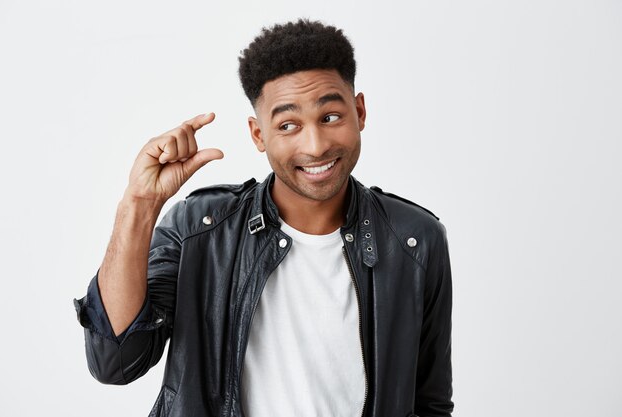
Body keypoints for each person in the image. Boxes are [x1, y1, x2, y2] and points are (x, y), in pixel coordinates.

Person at [74, 19, 454, 417]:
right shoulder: (200, 229)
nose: (316, 145)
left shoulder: (414, 240)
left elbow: (429, 402)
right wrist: (140, 204)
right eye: (288, 125)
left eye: (330, 117)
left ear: (359, 111)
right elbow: (114, 362)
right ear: (258, 135)